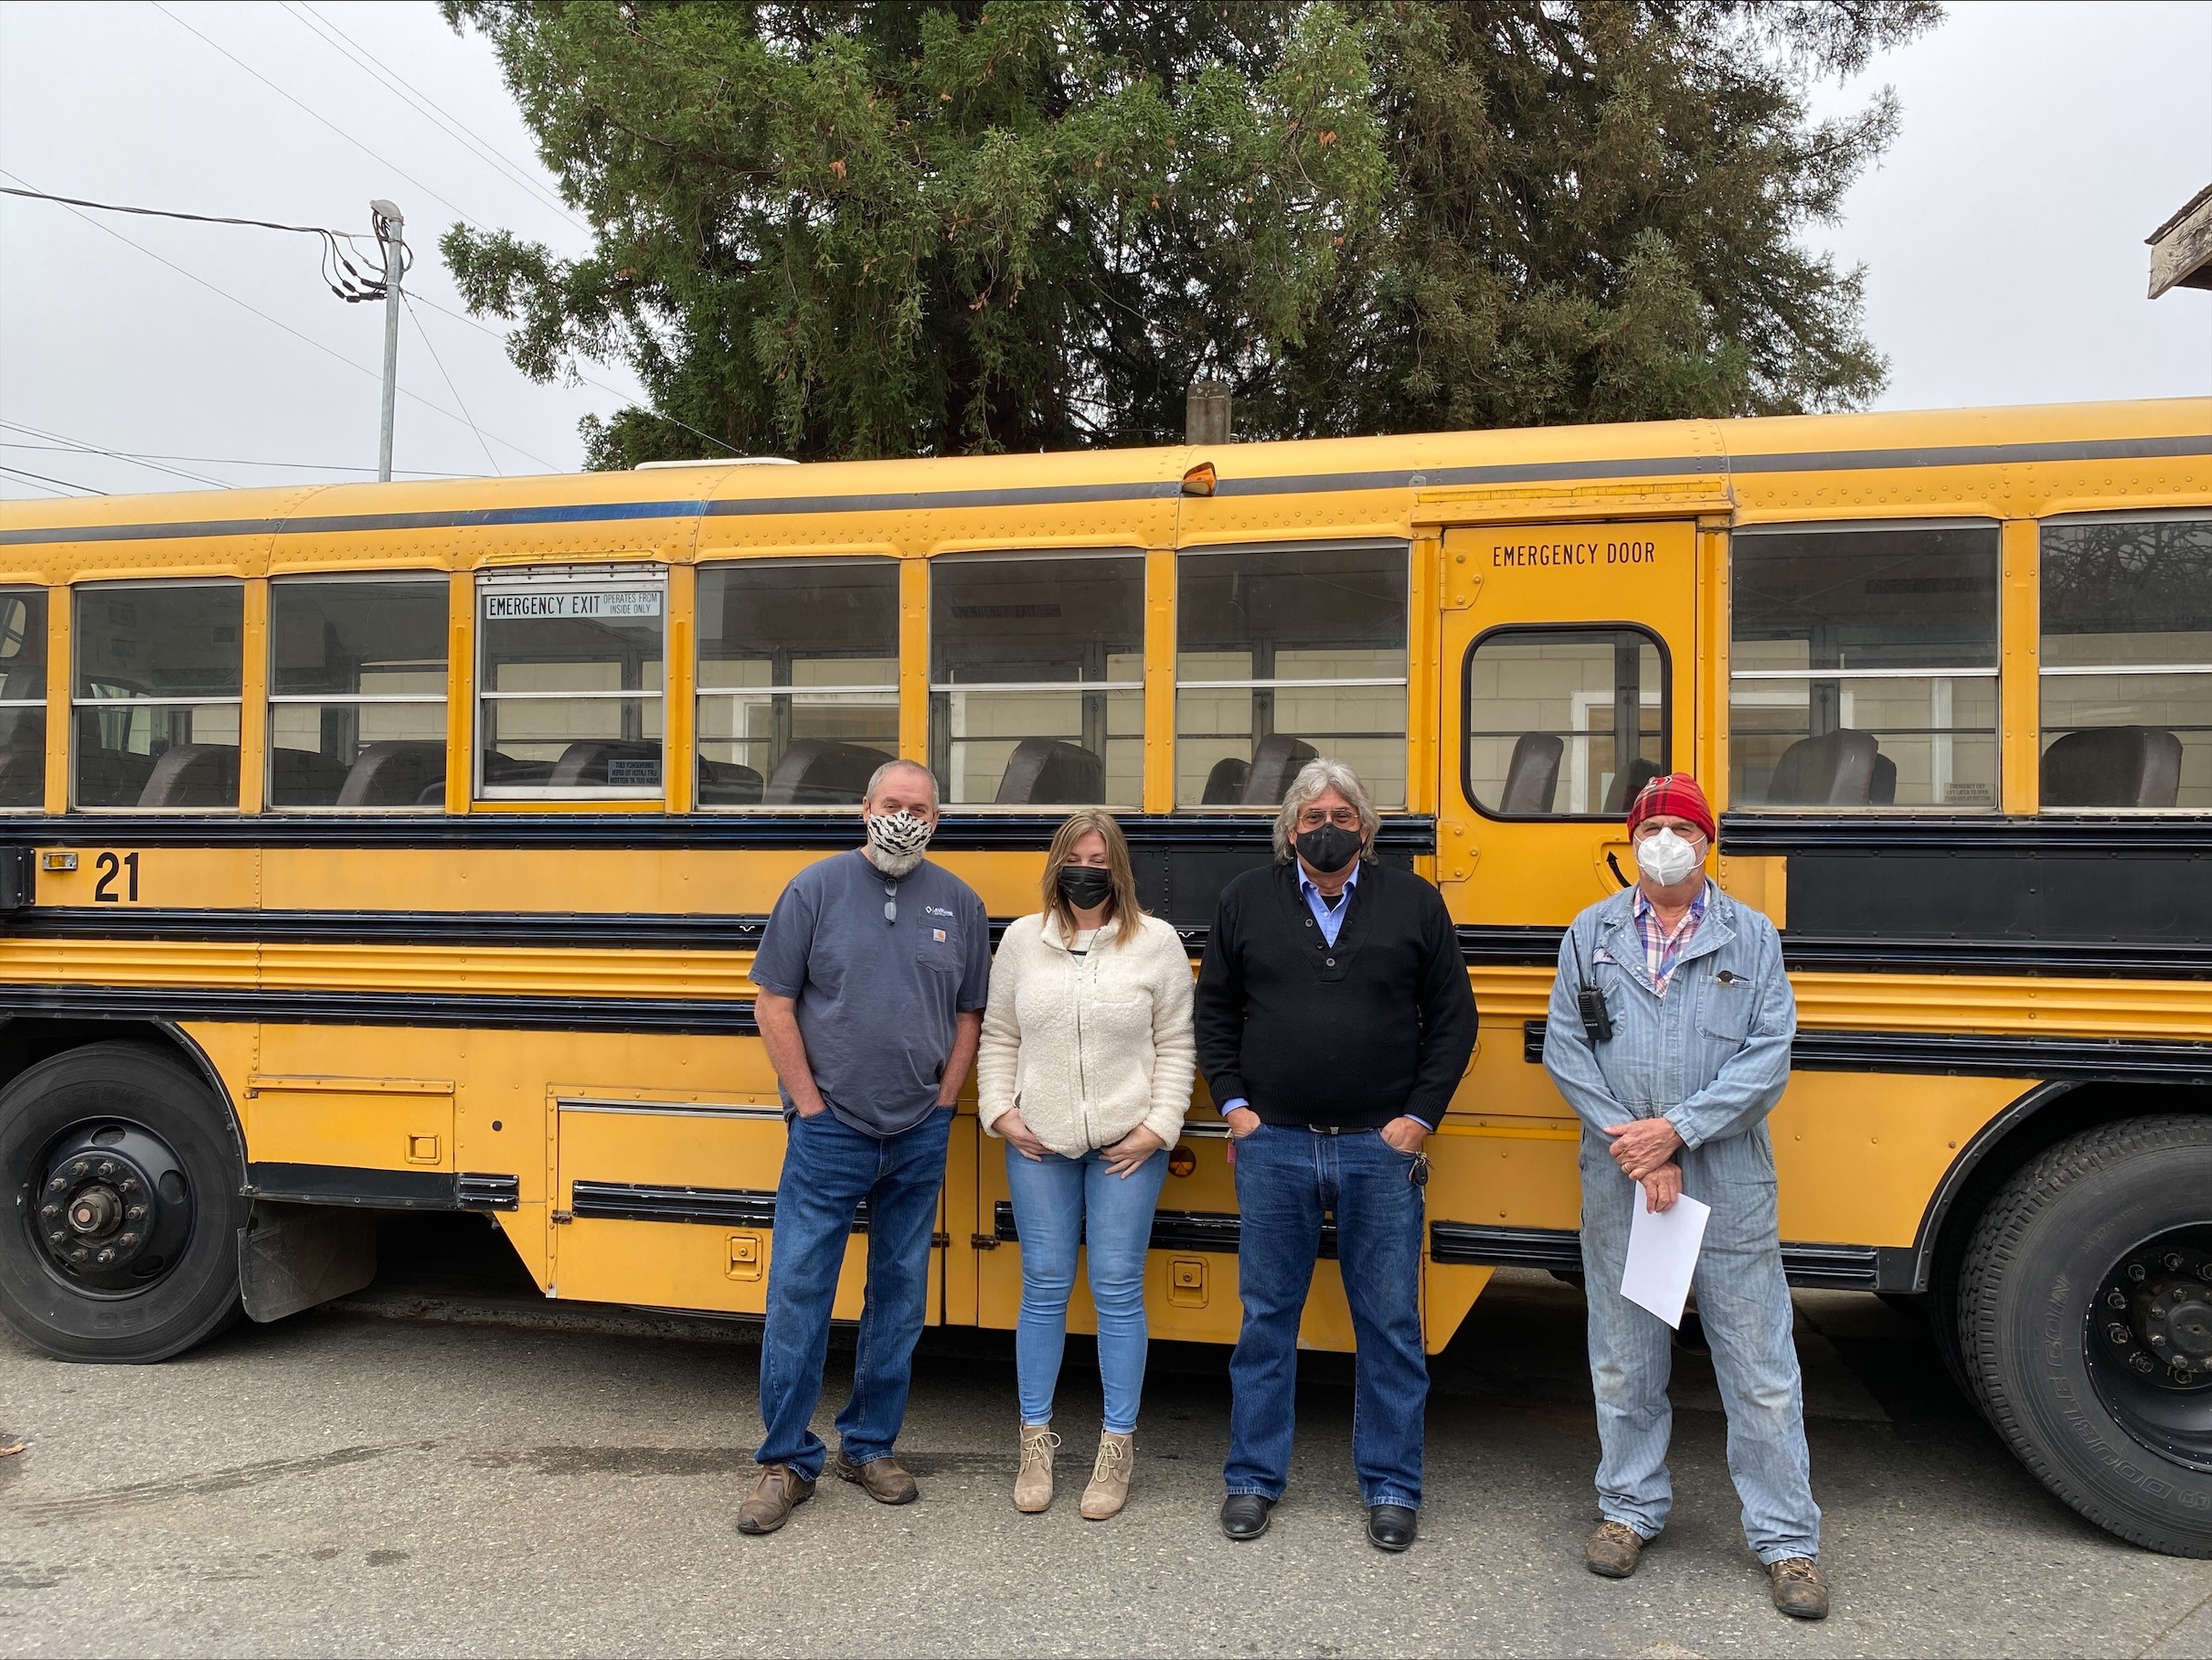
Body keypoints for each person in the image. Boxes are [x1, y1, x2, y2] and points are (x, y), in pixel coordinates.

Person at [1540, 771, 1827, 1621]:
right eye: (1652, 825)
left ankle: (1789, 1541)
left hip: (1726, 1177)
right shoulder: (1590, 934)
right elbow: (1567, 1048)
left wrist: (1679, 1132)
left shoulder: (1752, 937)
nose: (1666, 839)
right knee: (1626, 1355)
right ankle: (1628, 1508)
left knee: (1760, 1366)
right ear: (1631, 841)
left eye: (1682, 826)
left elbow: (1768, 1056)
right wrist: (1638, 1145)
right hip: (1624, 1174)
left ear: (1709, 843)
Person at [1194, 758, 1477, 1553]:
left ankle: (1392, 1488)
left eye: (1343, 816)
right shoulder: (1246, 899)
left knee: (1390, 1322)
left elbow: (1454, 1021)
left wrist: (1418, 1119)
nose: (1327, 827)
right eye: (1313, 815)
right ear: (1289, 829)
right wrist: (1236, 1108)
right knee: (1265, 1321)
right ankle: (1252, 1478)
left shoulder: (1415, 903)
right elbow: (1213, 1010)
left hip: (1379, 1151)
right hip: (1273, 1145)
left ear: (1366, 829)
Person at [738, 758, 990, 1536]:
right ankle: (786, 1460)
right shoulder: (814, 889)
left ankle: (869, 1445)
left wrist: (945, 1101)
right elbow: (771, 1001)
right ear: (864, 808)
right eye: (892, 803)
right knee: (798, 1295)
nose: (904, 818)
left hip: (917, 1135)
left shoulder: (961, 903)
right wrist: (808, 1106)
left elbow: (970, 1014)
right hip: (829, 1133)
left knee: (899, 1298)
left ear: (937, 820)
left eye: (918, 807)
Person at [977, 810, 1196, 1520]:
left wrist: (1158, 1127)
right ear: (1055, 864)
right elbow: (999, 1034)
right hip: (1038, 1139)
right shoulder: (1020, 941)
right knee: (1043, 1284)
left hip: (1125, 1148)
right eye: (1076, 856)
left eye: (1100, 858)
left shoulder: (1155, 944)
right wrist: (1000, 1111)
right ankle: (1035, 1443)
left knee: (1116, 1287)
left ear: (1119, 869)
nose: (1087, 869)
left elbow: (1176, 1045)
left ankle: (1116, 1447)